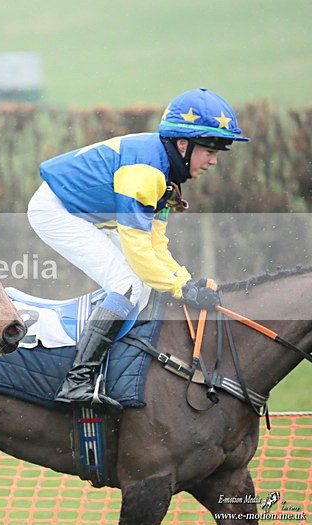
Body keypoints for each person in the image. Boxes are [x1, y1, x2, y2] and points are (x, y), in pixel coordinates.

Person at [27, 88, 249, 411]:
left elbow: (156, 242)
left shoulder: (167, 174)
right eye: (210, 149)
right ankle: (76, 380)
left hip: (85, 214)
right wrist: (180, 288)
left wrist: (184, 280)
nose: (214, 161)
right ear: (183, 144)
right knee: (128, 283)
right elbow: (139, 251)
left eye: (219, 151)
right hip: (55, 211)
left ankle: (110, 364)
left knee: (140, 285)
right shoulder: (146, 173)